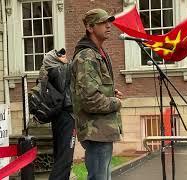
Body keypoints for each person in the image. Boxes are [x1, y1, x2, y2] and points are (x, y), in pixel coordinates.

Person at [70, 9, 123, 180]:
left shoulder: (98, 52)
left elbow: (93, 88)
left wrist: (110, 92)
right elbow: (90, 99)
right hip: (96, 131)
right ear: (90, 27)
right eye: (102, 22)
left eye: (109, 22)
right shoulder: (87, 55)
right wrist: (115, 102)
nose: (108, 26)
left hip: (102, 130)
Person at [38, 49, 76, 180]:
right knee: (65, 158)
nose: (64, 56)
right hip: (67, 116)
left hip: (57, 116)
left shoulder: (46, 72)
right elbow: (75, 66)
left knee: (59, 154)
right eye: (60, 55)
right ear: (53, 60)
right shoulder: (60, 71)